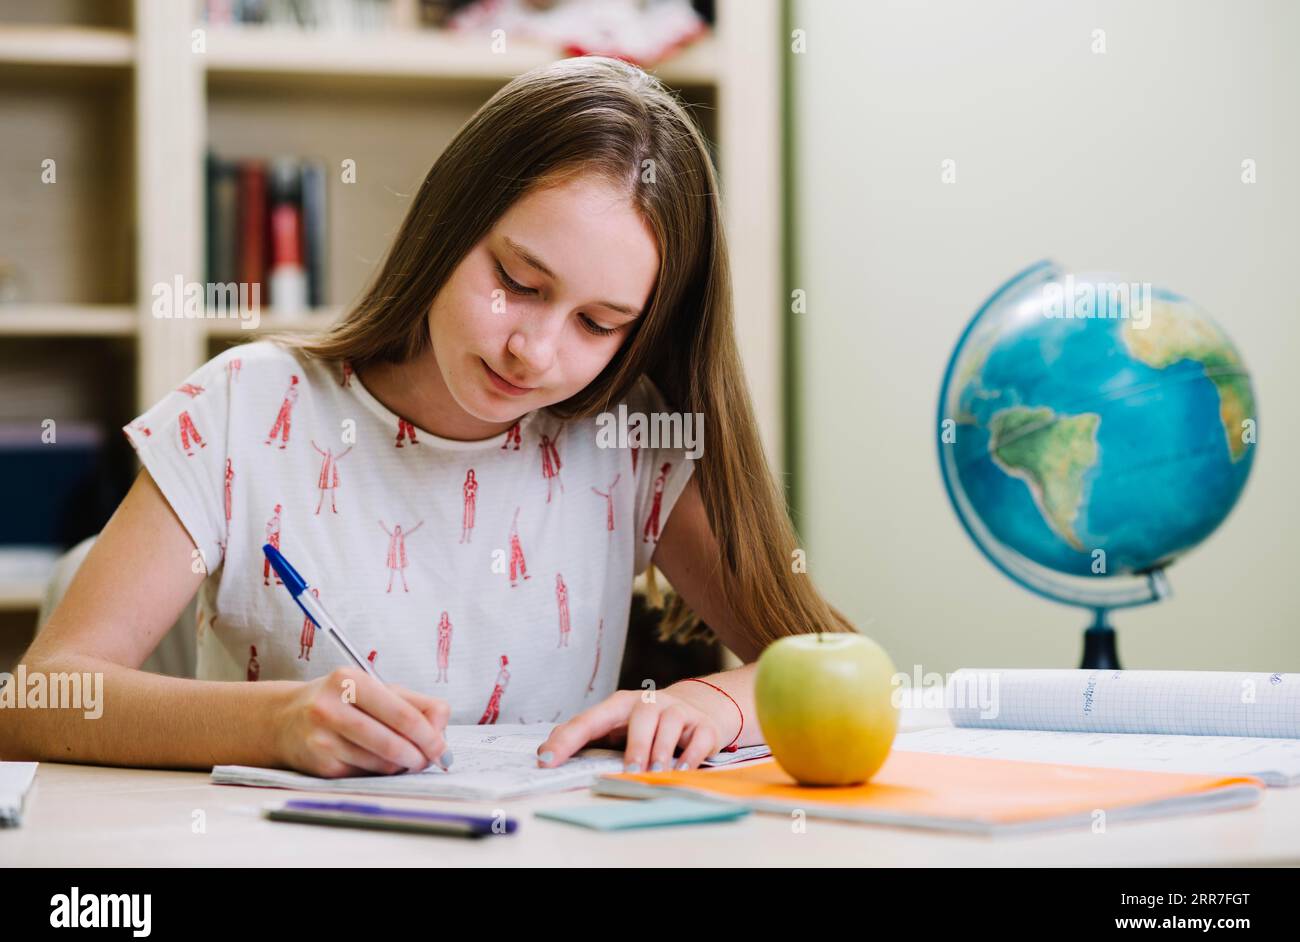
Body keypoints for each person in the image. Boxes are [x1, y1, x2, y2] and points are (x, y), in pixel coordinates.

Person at [6, 55, 853, 779]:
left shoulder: (629, 439)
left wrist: (714, 699)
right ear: (451, 221)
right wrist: (271, 723)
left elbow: (838, 666)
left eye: (598, 324)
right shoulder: (242, 410)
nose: (536, 350)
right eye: (519, 282)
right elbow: (40, 696)